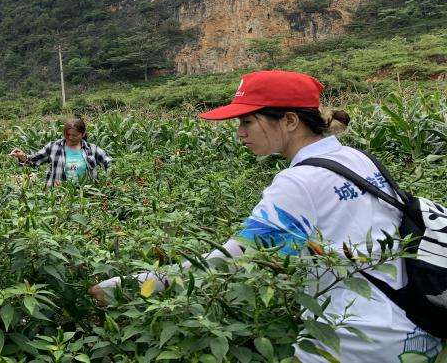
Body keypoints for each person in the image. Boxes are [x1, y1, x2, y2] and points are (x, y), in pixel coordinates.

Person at [88, 70, 442, 362]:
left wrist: (137, 285)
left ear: (289, 120)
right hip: (414, 327)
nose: (239, 133)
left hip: (352, 343)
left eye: (247, 121)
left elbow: (234, 260)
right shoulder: (355, 158)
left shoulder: (299, 182)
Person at [9, 118, 112, 186]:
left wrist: (109, 179)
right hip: (59, 195)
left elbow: (109, 162)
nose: (70, 138)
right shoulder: (54, 147)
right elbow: (34, 160)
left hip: (87, 194)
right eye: (67, 135)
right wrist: (22, 156)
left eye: (74, 135)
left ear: (83, 133)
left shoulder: (92, 149)